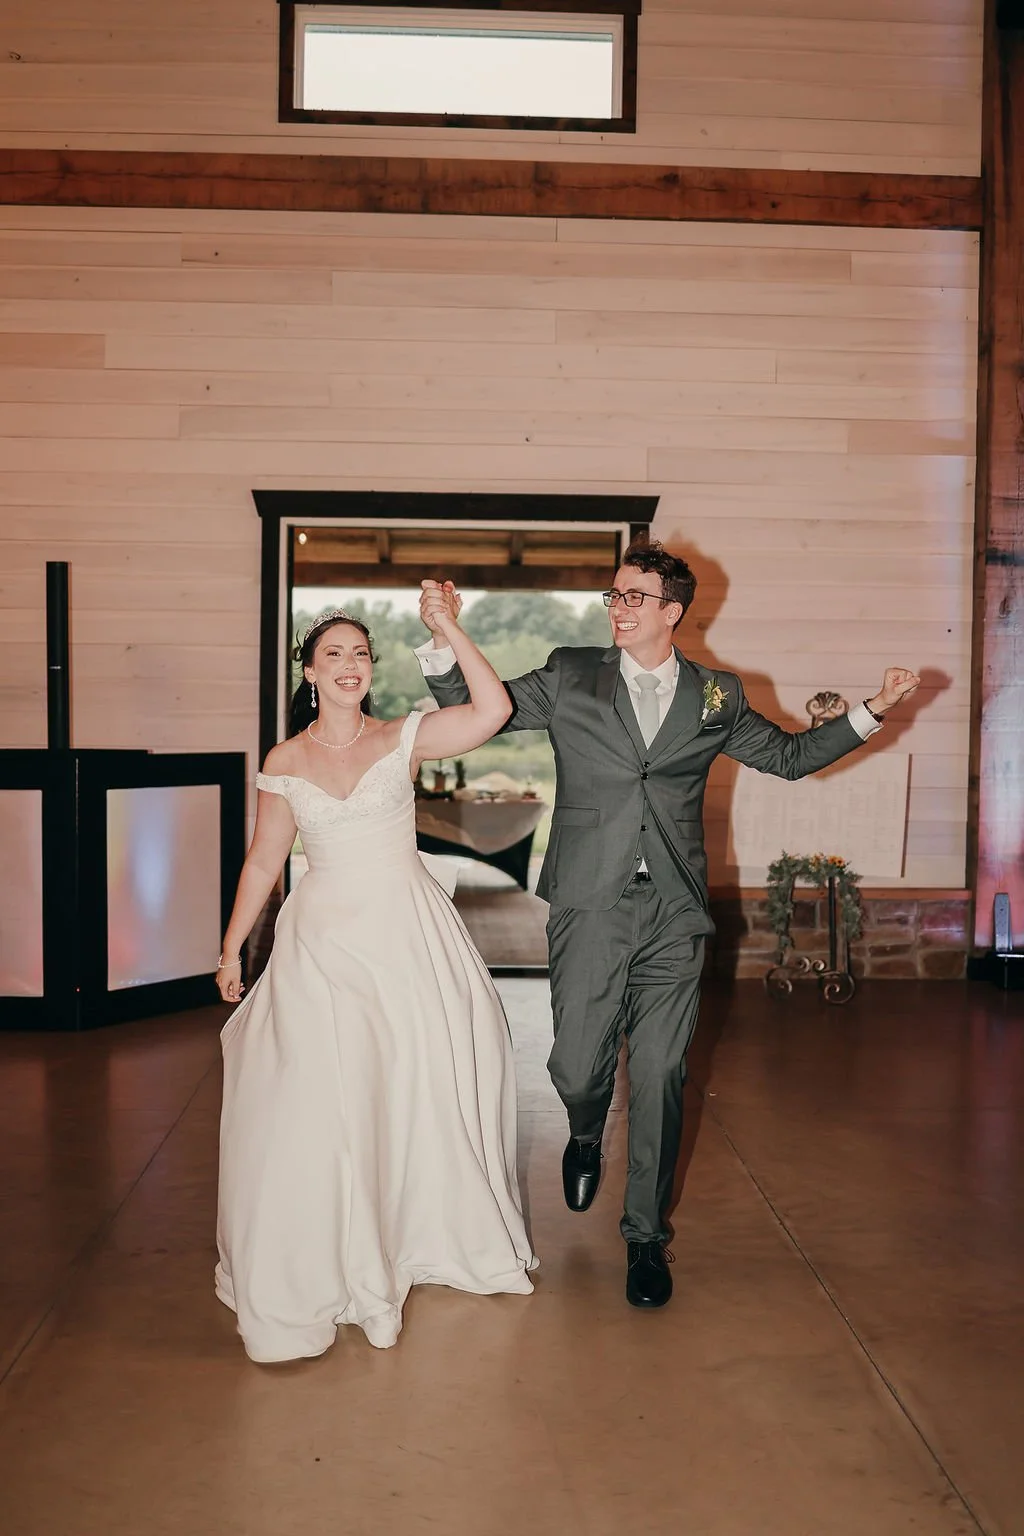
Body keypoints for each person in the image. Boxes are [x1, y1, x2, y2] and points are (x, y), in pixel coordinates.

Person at [417, 540, 920, 1310]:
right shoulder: (570, 673)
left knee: (660, 1074)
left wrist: (874, 709)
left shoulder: (716, 694)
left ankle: (646, 1237)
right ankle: (586, 1133)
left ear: (672, 612)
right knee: (577, 1065)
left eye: (632, 598)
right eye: (613, 596)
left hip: (676, 911)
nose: (617, 608)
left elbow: (787, 757)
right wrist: (443, 636)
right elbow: (481, 712)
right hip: (590, 902)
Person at [214, 605, 537, 1363]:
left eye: (360, 652)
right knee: (324, 1096)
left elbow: (494, 710)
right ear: (310, 671)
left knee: (410, 1088)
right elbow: (265, 861)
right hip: (321, 944)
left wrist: (449, 629)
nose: (350, 663)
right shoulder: (286, 760)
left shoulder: (403, 738)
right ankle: (337, 1258)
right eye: (334, 653)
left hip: (405, 938)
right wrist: (233, 948)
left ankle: (413, 1236)